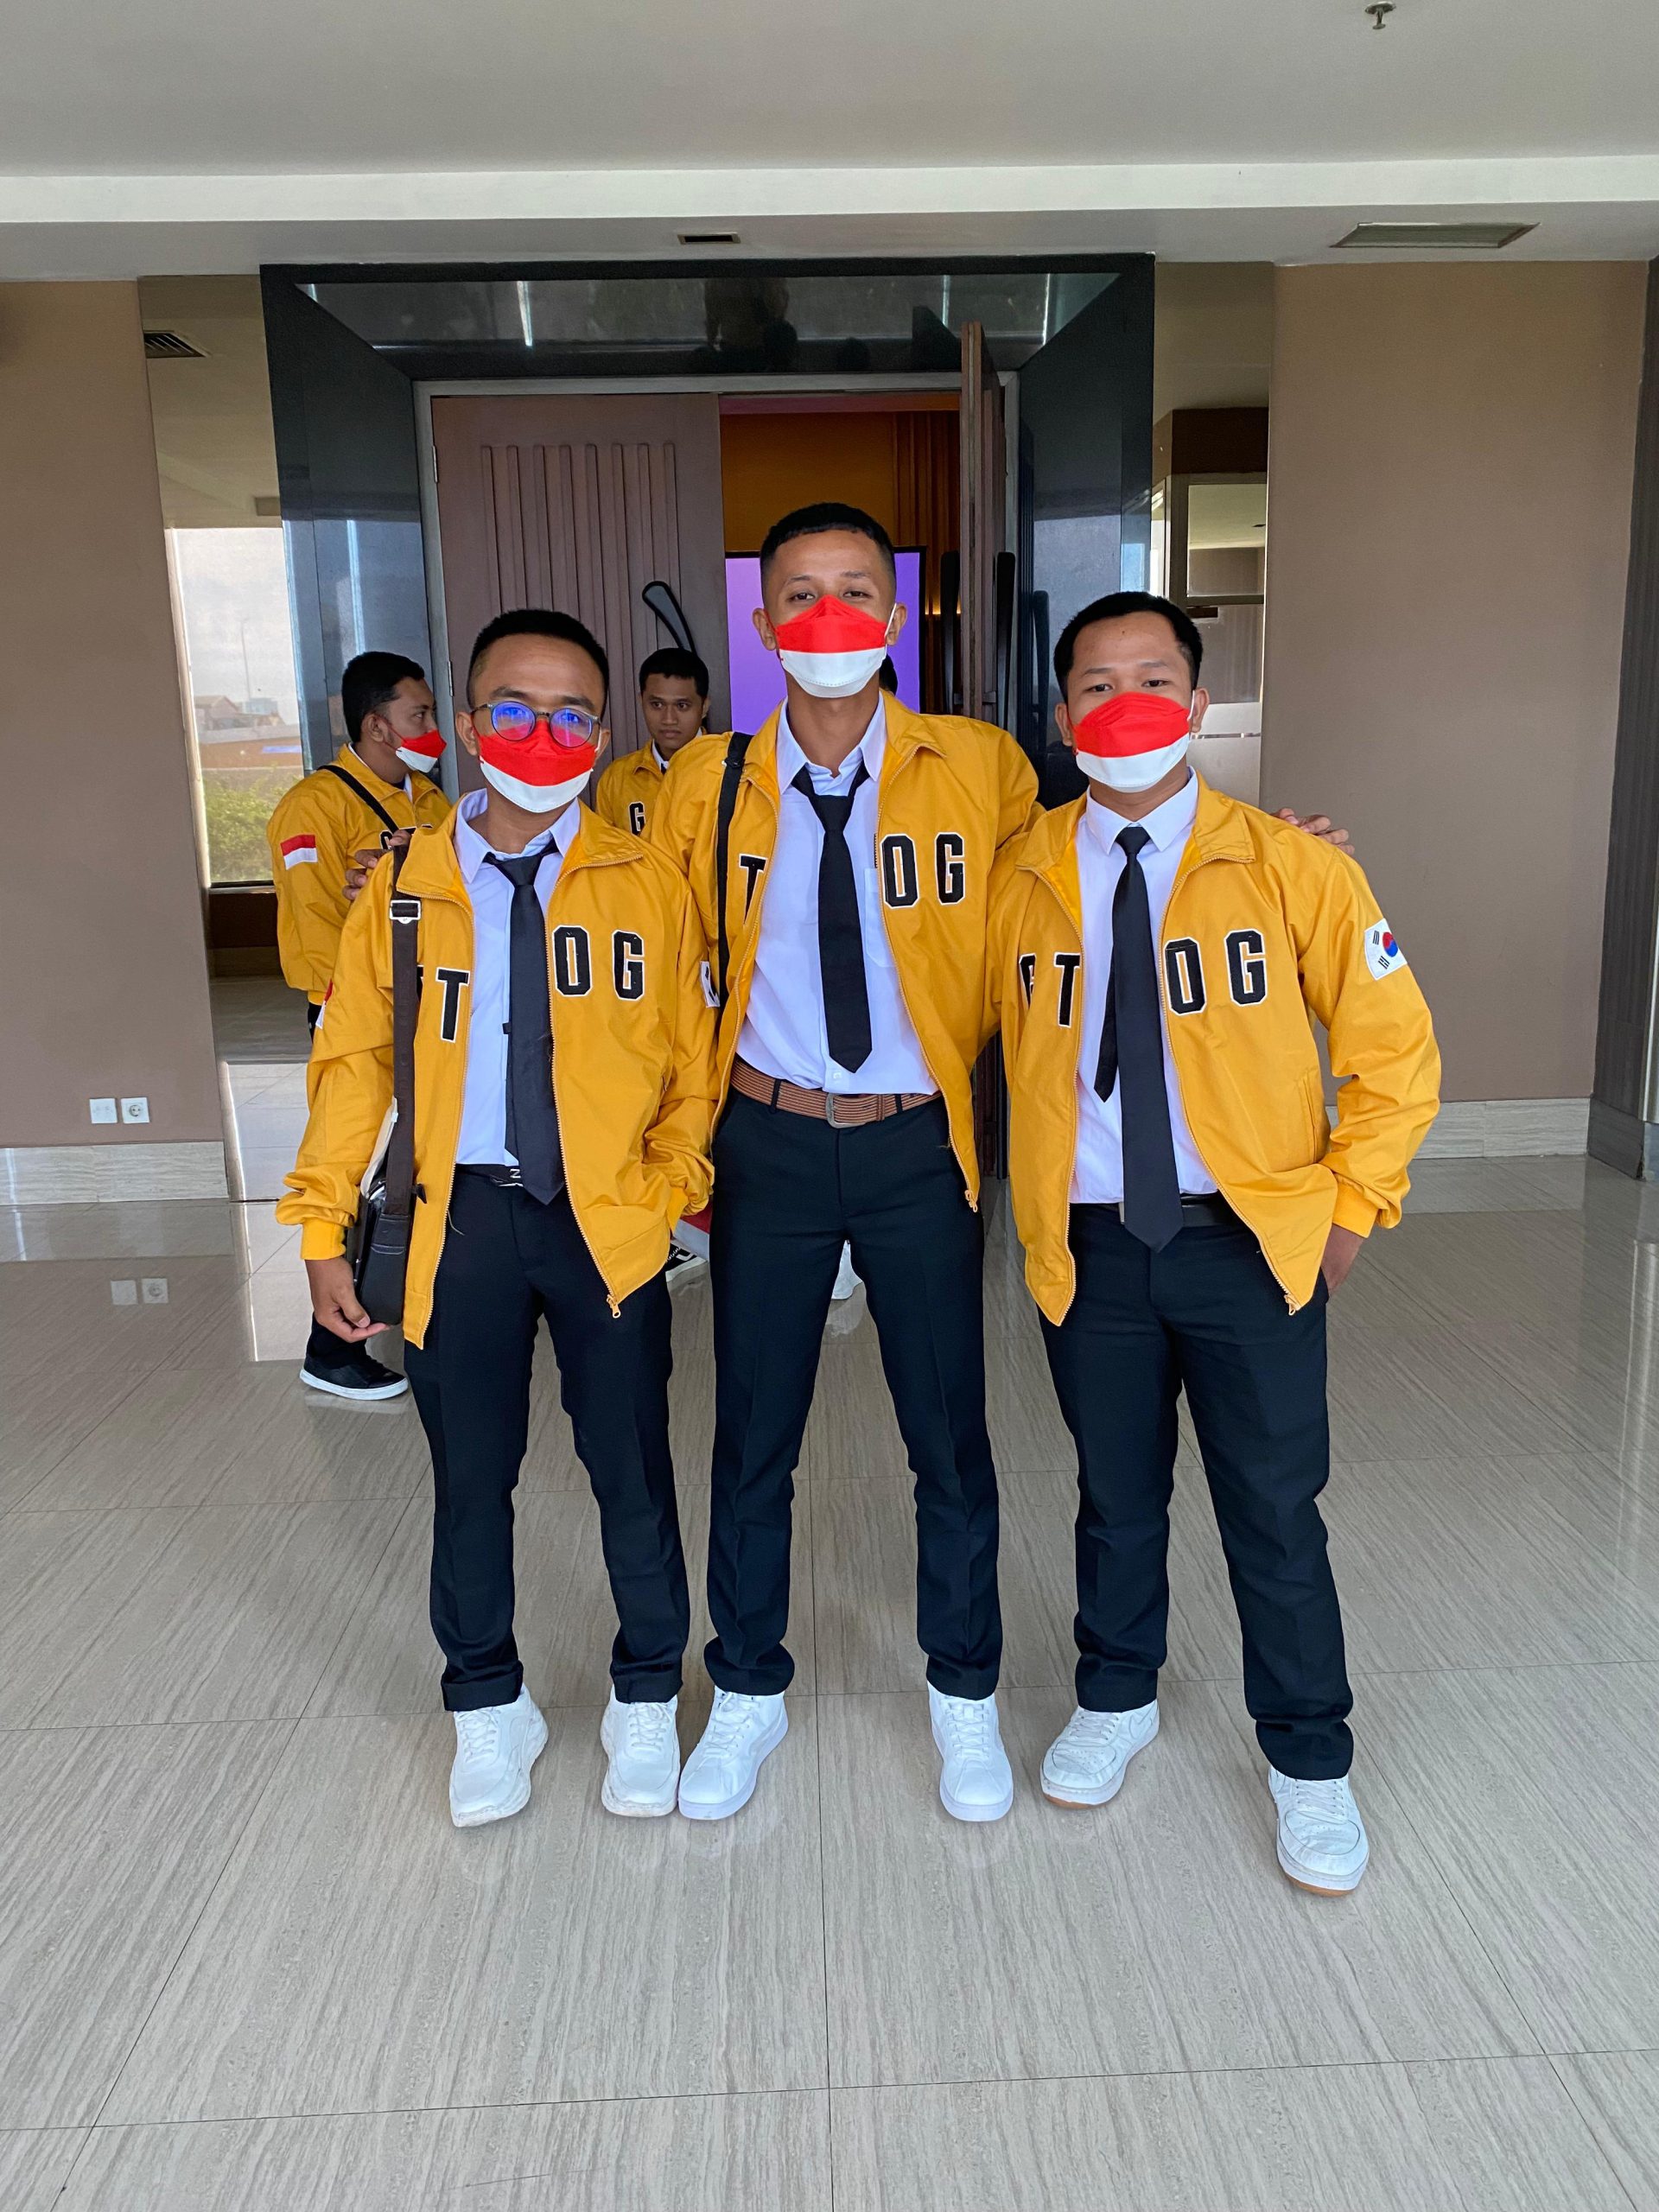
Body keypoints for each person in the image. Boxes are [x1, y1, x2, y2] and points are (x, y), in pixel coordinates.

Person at [988, 590, 1439, 1893]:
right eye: (1096, 683)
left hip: (1251, 1244)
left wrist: (1347, 1214)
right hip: (1092, 1245)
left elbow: (1396, 1056)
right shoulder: (1023, 870)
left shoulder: (1293, 865)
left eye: (1152, 679)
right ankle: (1117, 1694)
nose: (1123, 703)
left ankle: (1309, 1758)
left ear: (1195, 704)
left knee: (1273, 1507)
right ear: (1062, 712)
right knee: (1115, 1493)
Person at [276, 608, 717, 1829]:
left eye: (573, 715)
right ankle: (487, 1703)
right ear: (470, 726)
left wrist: (666, 1186)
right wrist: (319, 1225)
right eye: (515, 710)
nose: (543, 734)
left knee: (631, 1470)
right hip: (458, 1221)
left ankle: (644, 1693)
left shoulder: (647, 881)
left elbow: (692, 1059)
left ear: (602, 734)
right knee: (470, 1476)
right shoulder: (402, 885)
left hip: (604, 1221)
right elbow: (353, 1066)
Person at [265, 651, 453, 1402]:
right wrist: (371, 909)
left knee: (417, 1159)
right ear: (377, 726)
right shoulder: (314, 807)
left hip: (427, 1010)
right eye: (419, 715)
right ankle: (332, 1344)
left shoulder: (428, 800)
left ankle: (411, 1297)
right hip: (355, 1015)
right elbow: (315, 929)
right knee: (352, 1162)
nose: (432, 729)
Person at [593, 647, 709, 839]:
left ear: (704, 707)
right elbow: (604, 851)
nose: (669, 719)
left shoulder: (730, 772)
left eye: (682, 706)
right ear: (642, 701)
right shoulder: (617, 779)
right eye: (657, 705)